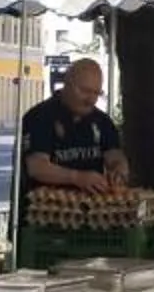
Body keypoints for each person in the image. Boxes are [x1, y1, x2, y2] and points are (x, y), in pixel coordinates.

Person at [17, 60, 129, 239]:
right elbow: (37, 167)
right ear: (67, 83)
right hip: (43, 221)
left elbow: (115, 156)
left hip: (90, 221)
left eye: (96, 93)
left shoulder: (102, 122)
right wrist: (77, 178)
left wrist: (118, 171)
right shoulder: (40, 117)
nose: (90, 99)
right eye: (84, 91)